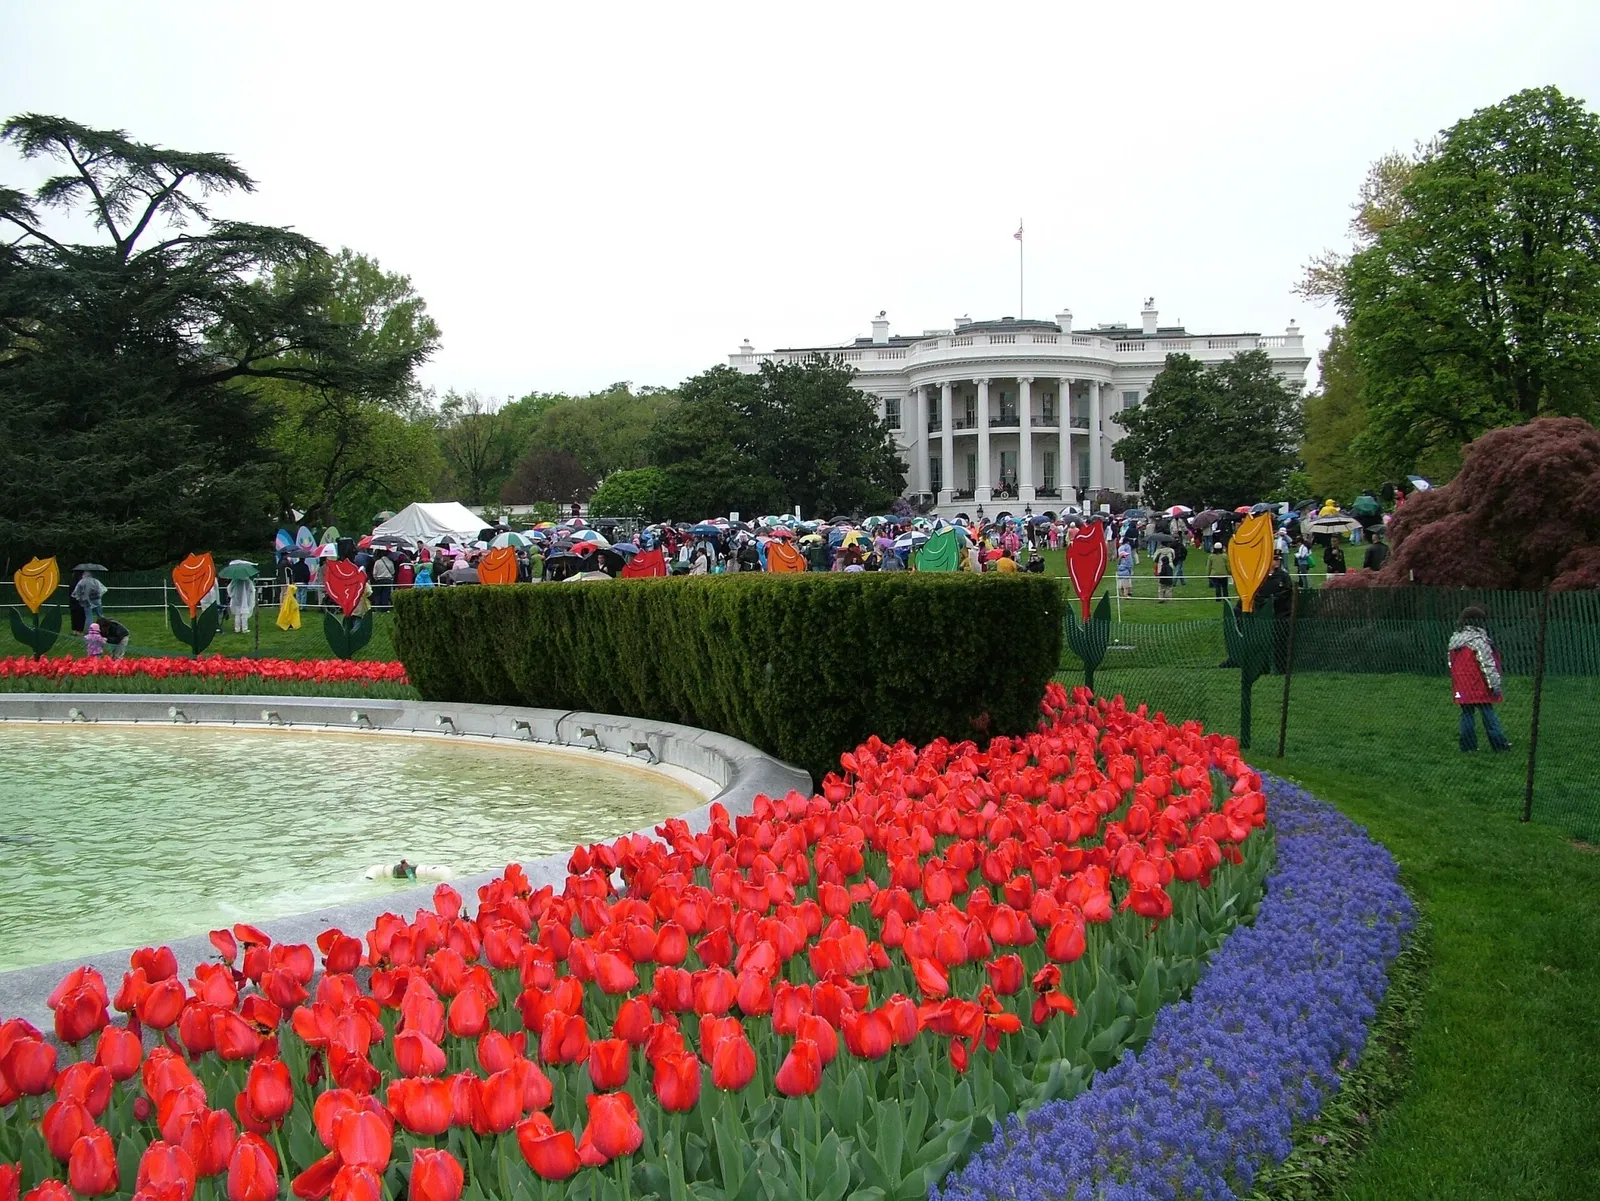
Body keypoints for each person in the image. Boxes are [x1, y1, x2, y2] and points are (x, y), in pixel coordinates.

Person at [1449, 606, 1511, 752]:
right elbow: (1487, 664)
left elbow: (1451, 663)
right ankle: (1499, 744)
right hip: (1480, 685)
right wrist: (1494, 685)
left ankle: (1468, 747)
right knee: (1488, 714)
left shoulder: (1454, 640)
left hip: (1462, 685)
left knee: (1467, 714)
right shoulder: (1479, 641)